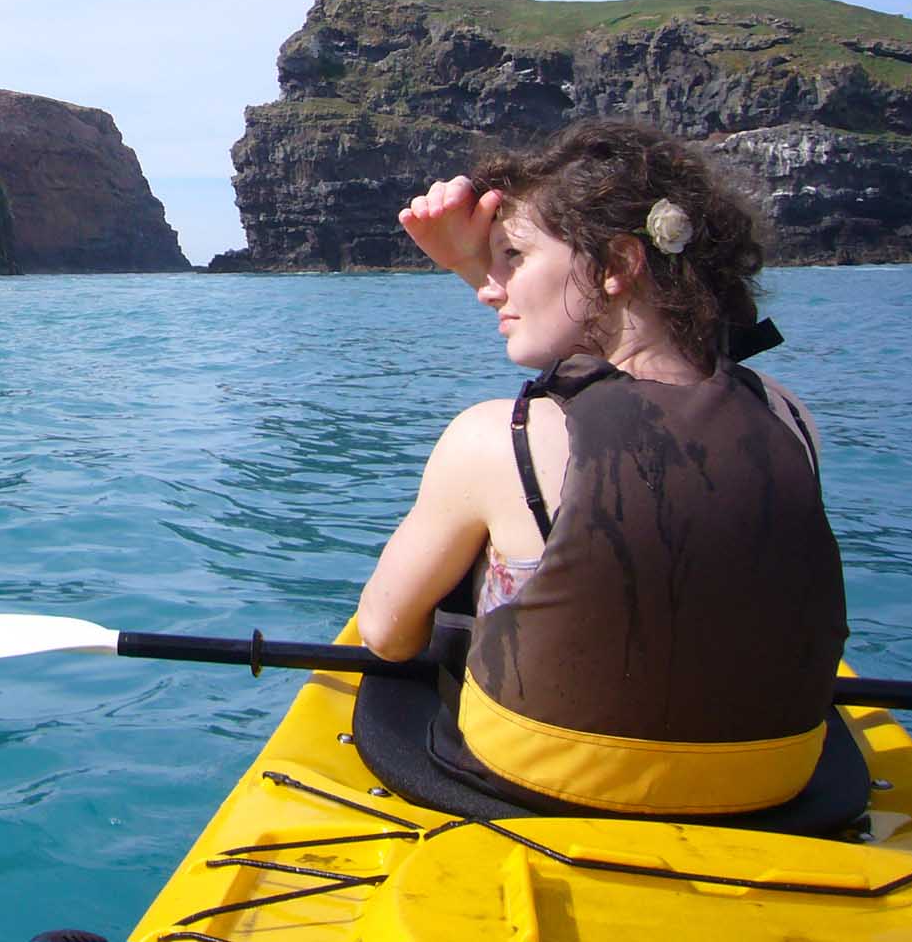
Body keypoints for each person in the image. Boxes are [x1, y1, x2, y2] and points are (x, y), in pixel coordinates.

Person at [356, 119, 848, 818]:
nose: (490, 290)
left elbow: (387, 633)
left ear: (618, 264)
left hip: (538, 782)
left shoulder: (495, 440)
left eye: (513, 258)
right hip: (773, 787)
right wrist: (483, 263)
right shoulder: (790, 419)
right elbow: (628, 412)